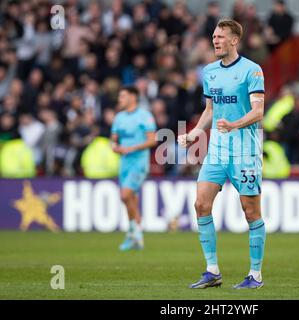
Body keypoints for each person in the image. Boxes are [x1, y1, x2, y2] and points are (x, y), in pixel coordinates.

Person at [177, 19, 266, 289]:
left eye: (220, 37)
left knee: (251, 212)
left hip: (245, 152)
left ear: (234, 40)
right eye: (213, 36)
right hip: (216, 151)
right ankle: (212, 271)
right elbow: (210, 111)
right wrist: (194, 134)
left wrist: (234, 124)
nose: (215, 41)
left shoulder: (252, 71)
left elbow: (259, 111)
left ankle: (255, 275)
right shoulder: (210, 71)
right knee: (201, 204)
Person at [111, 86, 157, 251]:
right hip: (124, 163)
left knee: (125, 195)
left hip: (138, 162)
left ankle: (134, 233)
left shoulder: (144, 116)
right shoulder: (119, 118)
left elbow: (152, 140)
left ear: (133, 97)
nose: (120, 99)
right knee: (130, 199)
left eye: (122, 96)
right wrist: (114, 146)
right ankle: (135, 236)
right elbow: (114, 139)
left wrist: (131, 148)